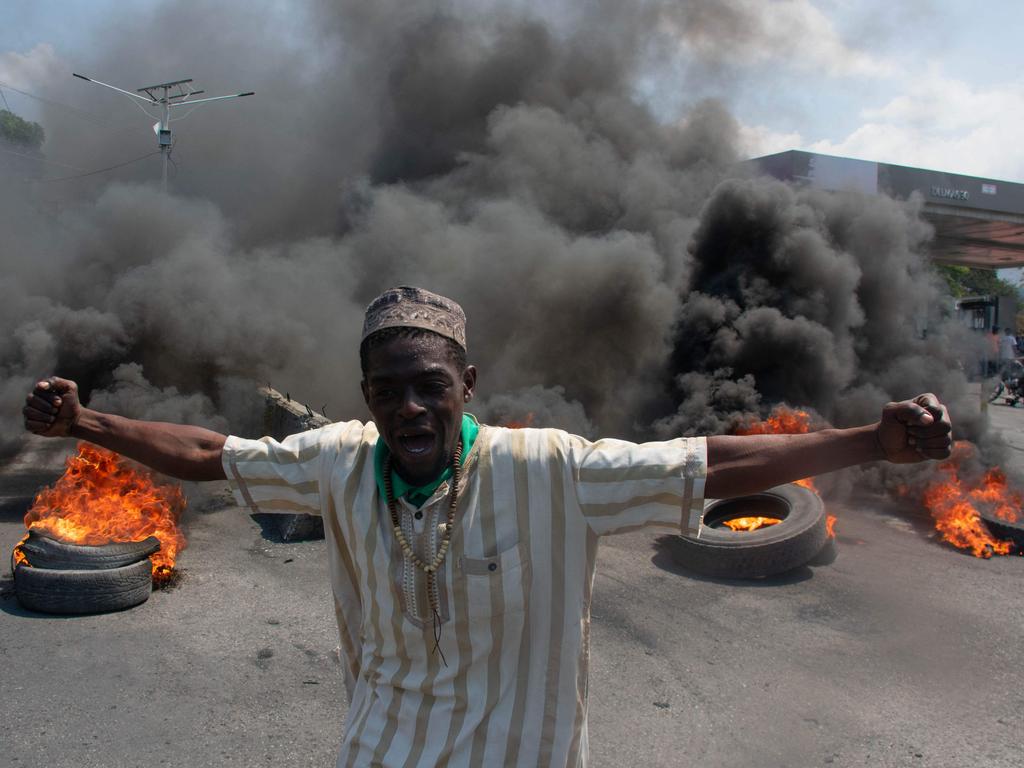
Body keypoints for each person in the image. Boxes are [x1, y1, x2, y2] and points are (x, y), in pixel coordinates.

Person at [22, 286, 953, 768]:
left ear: (469, 386)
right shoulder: (337, 458)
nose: (411, 410)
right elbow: (205, 452)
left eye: (432, 386)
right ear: (366, 398)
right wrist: (83, 423)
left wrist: (870, 439)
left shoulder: (552, 469)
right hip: (382, 751)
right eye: (389, 392)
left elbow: (708, 464)